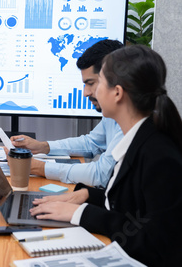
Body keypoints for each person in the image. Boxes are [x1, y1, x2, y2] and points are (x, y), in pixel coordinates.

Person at [29, 45, 182, 266]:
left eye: (98, 81)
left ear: (117, 93)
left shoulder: (159, 156)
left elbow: (157, 245)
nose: (87, 92)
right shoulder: (141, 139)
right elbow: (135, 210)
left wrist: (81, 213)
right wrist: (88, 196)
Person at [11, 39, 124, 187]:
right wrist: (43, 147)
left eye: (91, 83)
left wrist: (39, 167)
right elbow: (91, 143)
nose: (85, 93)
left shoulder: (130, 123)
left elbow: (101, 174)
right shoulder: (112, 114)